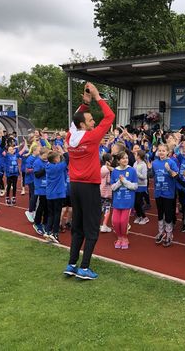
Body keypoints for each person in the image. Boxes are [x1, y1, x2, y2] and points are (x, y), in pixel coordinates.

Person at [63, 82, 115, 280]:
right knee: (92, 227)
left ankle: (71, 264)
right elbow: (109, 117)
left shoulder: (70, 136)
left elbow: (75, 119)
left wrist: (85, 103)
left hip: (74, 186)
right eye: (91, 119)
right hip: (89, 186)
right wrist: (97, 97)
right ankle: (84, 268)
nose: (94, 122)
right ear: (83, 125)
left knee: (77, 227)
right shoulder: (91, 137)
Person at [110, 151, 138, 249]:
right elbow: (112, 187)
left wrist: (125, 182)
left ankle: (125, 238)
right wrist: (119, 182)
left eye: (126, 158)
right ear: (118, 161)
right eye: (123, 158)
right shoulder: (115, 171)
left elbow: (135, 186)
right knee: (115, 221)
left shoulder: (132, 170)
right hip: (117, 201)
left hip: (127, 200)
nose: (125, 160)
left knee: (123, 221)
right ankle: (119, 237)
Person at [45, 147, 69, 243]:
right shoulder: (58, 167)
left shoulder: (48, 166)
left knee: (50, 214)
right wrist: (63, 151)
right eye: (58, 157)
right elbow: (68, 158)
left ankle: (47, 231)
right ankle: (55, 233)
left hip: (50, 194)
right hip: (58, 194)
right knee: (57, 214)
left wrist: (58, 154)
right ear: (55, 160)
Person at [133, 150, 149, 225]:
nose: (134, 155)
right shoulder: (135, 163)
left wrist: (136, 172)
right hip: (135, 185)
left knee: (138, 202)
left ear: (138, 156)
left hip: (142, 186)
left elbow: (144, 177)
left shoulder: (143, 165)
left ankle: (145, 217)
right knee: (135, 203)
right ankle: (139, 216)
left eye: (135, 154)